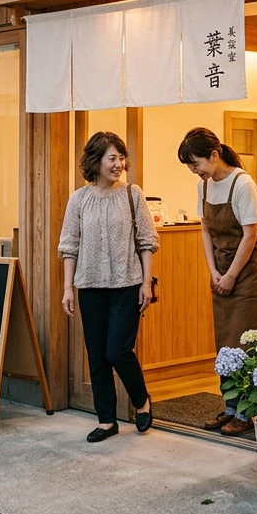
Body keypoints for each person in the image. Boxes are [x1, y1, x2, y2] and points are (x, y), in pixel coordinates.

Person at [59, 132, 158, 443]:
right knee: (97, 355)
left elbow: (147, 241)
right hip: (89, 287)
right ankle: (106, 420)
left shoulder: (133, 194)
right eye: (112, 158)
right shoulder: (78, 199)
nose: (119, 164)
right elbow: (69, 246)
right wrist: (67, 289)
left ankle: (141, 402)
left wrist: (145, 282)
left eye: (120, 158)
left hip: (127, 285)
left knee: (118, 350)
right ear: (95, 161)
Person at [178, 127, 257, 437]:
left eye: (196, 163)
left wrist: (230, 275)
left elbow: (251, 234)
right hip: (221, 269)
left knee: (243, 343)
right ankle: (230, 407)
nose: (194, 171)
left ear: (214, 155)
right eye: (189, 166)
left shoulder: (243, 184)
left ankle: (246, 412)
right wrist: (214, 271)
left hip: (248, 271)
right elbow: (205, 230)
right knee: (224, 344)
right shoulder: (204, 186)